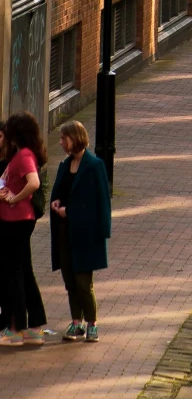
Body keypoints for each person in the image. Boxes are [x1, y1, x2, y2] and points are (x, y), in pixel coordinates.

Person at [48, 120, 110, 343]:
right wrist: (56, 203)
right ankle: (76, 323)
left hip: (85, 234)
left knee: (84, 282)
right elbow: (60, 192)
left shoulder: (94, 166)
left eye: (64, 138)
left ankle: (92, 323)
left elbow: (100, 203)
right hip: (65, 233)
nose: (61, 142)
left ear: (76, 138)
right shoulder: (65, 166)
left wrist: (70, 212)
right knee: (70, 281)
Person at [0, 113, 46, 347]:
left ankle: (17, 329)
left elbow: (34, 182)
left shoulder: (25, 155)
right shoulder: (17, 155)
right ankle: (35, 328)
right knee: (24, 272)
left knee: (14, 274)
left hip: (16, 221)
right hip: (16, 220)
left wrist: (13, 199)